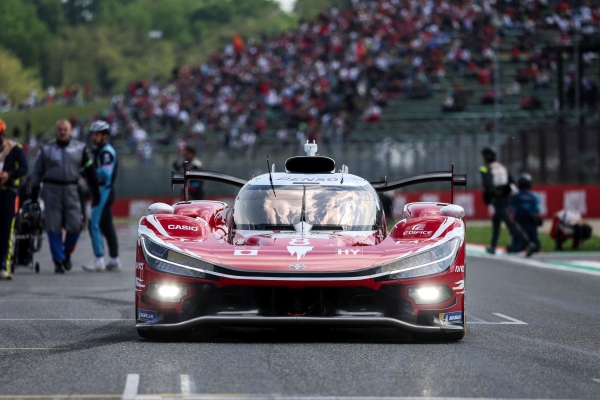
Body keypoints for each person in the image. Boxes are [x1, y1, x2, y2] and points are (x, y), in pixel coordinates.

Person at [31, 120, 100, 273]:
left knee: (76, 225)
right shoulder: (46, 149)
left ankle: (67, 251)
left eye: (65, 129)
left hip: (72, 189)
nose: (62, 132)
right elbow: (37, 171)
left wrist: (95, 192)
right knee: (53, 225)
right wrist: (35, 190)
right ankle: (58, 260)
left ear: (70, 131)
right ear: (56, 131)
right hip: (51, 189)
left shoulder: (80, 149)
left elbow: (90, 171)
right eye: (60, 129)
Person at [479, 147, 535, 257]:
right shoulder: (502, 167)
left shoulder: (485, 168)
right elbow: (511, 182)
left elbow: (487, 185)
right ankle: (493, 246)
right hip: (505, 198)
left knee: (510, 223)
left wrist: (489, 197)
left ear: (486, 157)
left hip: (497, 198)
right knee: (496, 220)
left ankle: (528, 243)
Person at [83, 121, 120, 272]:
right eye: (93, 134)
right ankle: (114, 259)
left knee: (93, 224)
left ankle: (99, 259)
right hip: (104, 190)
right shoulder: (100, 150)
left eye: (97, 134)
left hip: (104, 191)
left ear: (105, 136)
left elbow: (105, 173)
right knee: (106, 225)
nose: (94, 137)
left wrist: (89, 173)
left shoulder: (106, 152)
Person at [0, 118, 28, 280]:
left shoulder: (15, 149)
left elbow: (24, 168)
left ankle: (3, 266)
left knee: (6, 230)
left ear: (3, 135)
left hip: (8, 193)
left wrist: (9, 174)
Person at [509, 173, 542, 253]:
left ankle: (518, 246)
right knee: (536, 245)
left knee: (514, 247)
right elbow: (537, 209)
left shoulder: (515, 196)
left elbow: (510, 208)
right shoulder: (534, 196)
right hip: (531, 225)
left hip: (519, 225)